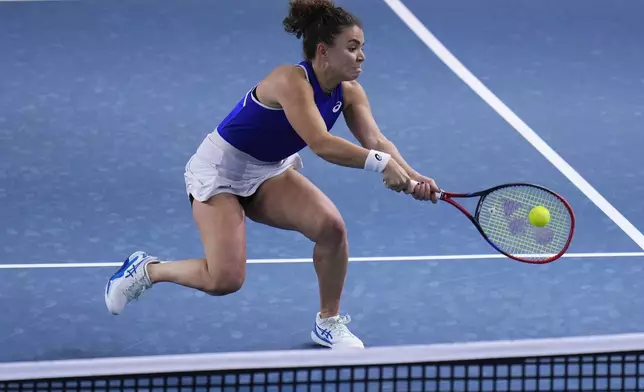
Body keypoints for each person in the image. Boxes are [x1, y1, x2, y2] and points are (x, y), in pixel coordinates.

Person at [104, 0, 440, 349]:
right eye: (352, 48)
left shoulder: (350, 93)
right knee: (225, 279)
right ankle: (146, 270)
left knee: (331, 229)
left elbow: (377, 141)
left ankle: (327, 322)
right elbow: (322, 144)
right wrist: (381, 164)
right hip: (220, 170)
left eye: (362, 48)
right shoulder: (289, 80)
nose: (361, 56)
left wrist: (415, 178)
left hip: (267, 170)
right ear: (323, 51)